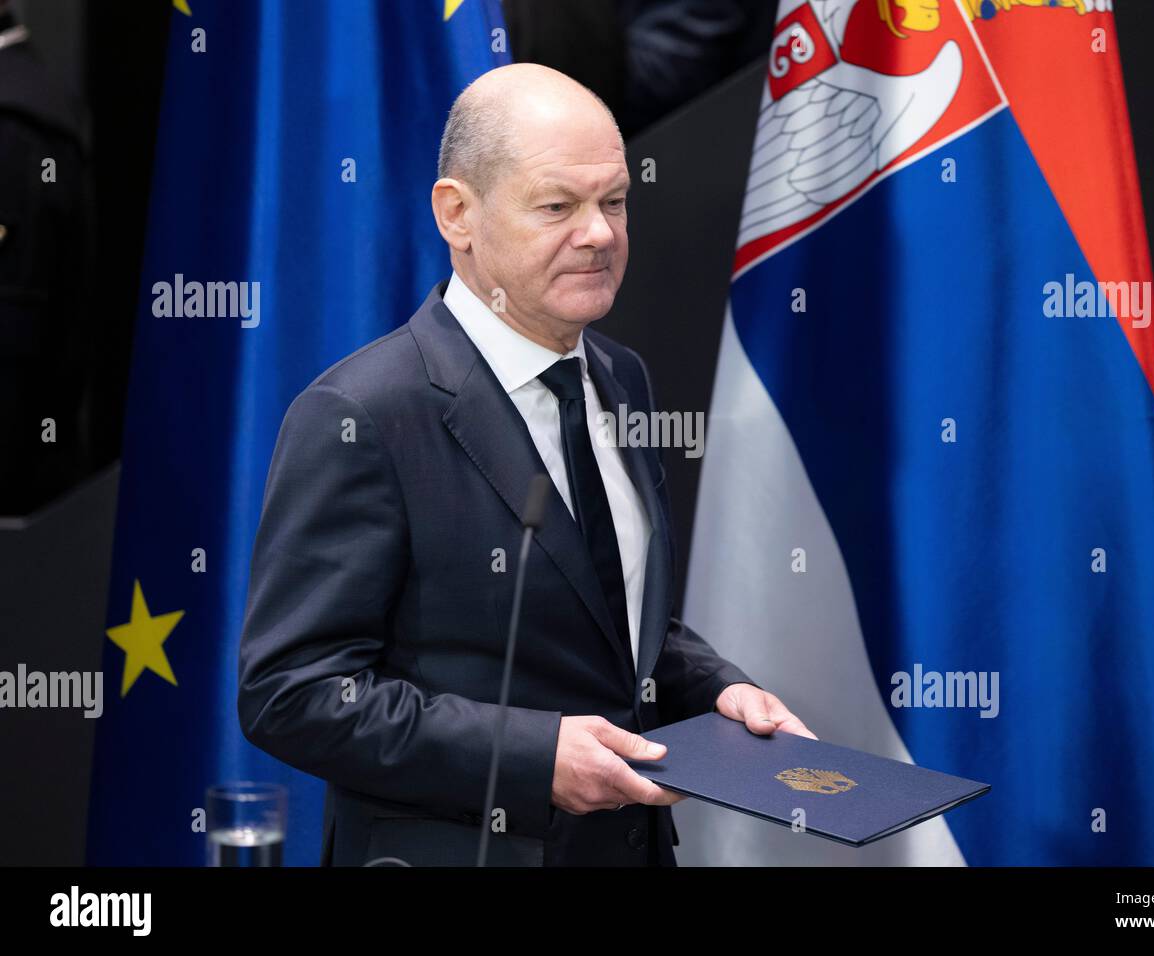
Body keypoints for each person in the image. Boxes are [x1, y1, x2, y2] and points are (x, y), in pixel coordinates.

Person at [237, 62, 813, 867]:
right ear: (457, 214)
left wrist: (713, 688)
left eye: (614, 201)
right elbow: (291, 693)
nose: (600, 234)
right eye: (557, 206)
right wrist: (534, 759)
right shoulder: (364, 415)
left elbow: (606, 616)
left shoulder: (622, 379)